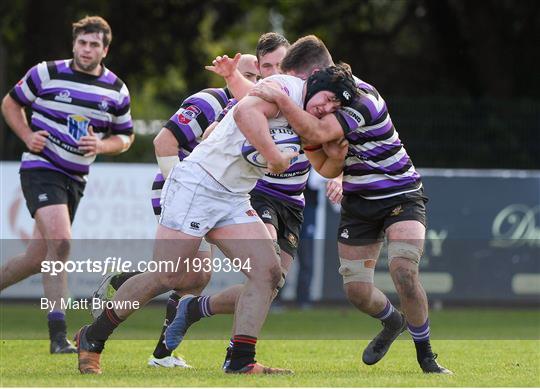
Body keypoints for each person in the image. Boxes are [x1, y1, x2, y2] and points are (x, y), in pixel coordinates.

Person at [75, 35, 358, 375]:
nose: (328, 109)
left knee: (267, 273)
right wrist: (273, 157)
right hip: (198, 185)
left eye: (334, 108)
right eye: (328, 99)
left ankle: (240, 361)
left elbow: (321, 157)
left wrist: (339, 163)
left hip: (232, 197)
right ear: (314, 75)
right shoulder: (285, 86)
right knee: (171, 276)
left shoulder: (303, 111)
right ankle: (93, 337)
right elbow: (245, 115)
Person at [248, 35, 452, 375]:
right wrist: (335, 171)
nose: (293, 91)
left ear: (314, 73)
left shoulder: (360, 99)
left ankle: (426, 356)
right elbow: (324, 161)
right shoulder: (321, 98)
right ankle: (392, 323)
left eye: (296, 83)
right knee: (357, 292)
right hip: (359, 202)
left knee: (403, 270)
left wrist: (282, 104)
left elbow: (315, 131)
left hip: (401, 193)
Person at [91, 54, 260, 369]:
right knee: (176, 274)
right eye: (249, 74)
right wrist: (182, 190)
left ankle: (159, 350)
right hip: (183, 191)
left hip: (211, 198)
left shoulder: (260, 109)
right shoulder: (210, 101)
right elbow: (163, 142)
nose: (256, 83)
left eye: (261, 77)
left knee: (196, 277)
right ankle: (109, 332)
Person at [0, 16, 134, 354]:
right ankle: (58, 336)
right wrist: (27, 134)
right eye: (82, 43)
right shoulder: (45, 73)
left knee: (37, 257)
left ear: (105, 49)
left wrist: (102, 146)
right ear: (74, 43)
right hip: (41, 168)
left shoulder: (115, 89)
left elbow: (126, 136)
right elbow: (10, 103)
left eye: (94, 45)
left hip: (76, 178)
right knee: (60, 242)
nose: (86, 49)